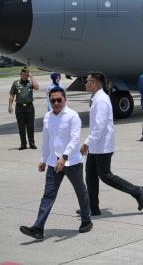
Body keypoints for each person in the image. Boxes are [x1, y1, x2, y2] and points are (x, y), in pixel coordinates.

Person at [19, 87, 92, 240]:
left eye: (59, 99)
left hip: (72, 162)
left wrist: (64, 157)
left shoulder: (73, 116)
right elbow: (47, 141)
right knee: (48, 195)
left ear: (65, 99)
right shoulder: (47, 117)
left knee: (81, 191)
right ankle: (38, 228)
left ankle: (86, 220)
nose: (56, 103)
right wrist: (43, 159)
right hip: (53, 163)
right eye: (53, 100)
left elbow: (74, 139)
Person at [79, 72, 143, 216]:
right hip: (96, 146)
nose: (85, 83)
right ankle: (92, 207)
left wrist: (87, 143)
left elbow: (100, 125)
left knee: (105, 176)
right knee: (90, 175)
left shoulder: (101, 100)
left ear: (94, 83)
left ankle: (137, 191)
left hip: (102, 146)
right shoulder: (96, 98)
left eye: (87, 81)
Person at [8, 67, 39, 150]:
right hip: (19, 107)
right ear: (20, 74)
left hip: (29, 107)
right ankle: (23, 144)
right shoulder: (16, 83)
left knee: (30, 127)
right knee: (21, 127)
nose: (24, 76)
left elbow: (37, 87)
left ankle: (32, 143)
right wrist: (10, 106)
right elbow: (12, 95)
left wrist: (31, 77)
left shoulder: (30, 83)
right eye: (23, 74)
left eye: (26, 74)